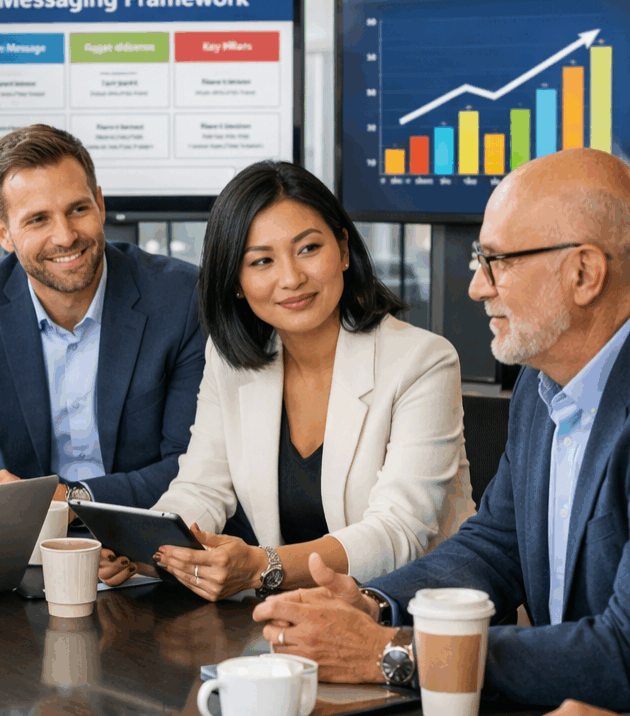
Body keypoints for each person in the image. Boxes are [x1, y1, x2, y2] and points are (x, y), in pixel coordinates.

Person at [253, 147, 630, 710]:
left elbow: (623, 654)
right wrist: (374, 605)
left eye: (497, 261)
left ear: (584, 273)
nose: (478, 286)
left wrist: (390, 650)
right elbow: (498, 546)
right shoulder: (540, 384)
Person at [100, 160, 474, 600]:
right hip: (297, 616)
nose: (292, 278)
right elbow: (202, 486)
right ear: (236, 282)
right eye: (261, 261)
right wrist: (149, 550)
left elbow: (398, 532)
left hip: (414, 612)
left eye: (309, 249)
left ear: (343, 248)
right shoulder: (230, 362)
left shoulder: (422, 361)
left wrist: (263, 566)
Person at [0, 125, 205, 508]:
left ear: (100, 205)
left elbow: (192, 465)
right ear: (3, 233)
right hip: (29, 536)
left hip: (149, 529)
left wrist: (70, 501)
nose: (65, 236)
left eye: (78, 209)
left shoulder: (182, 298)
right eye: (38, 219)